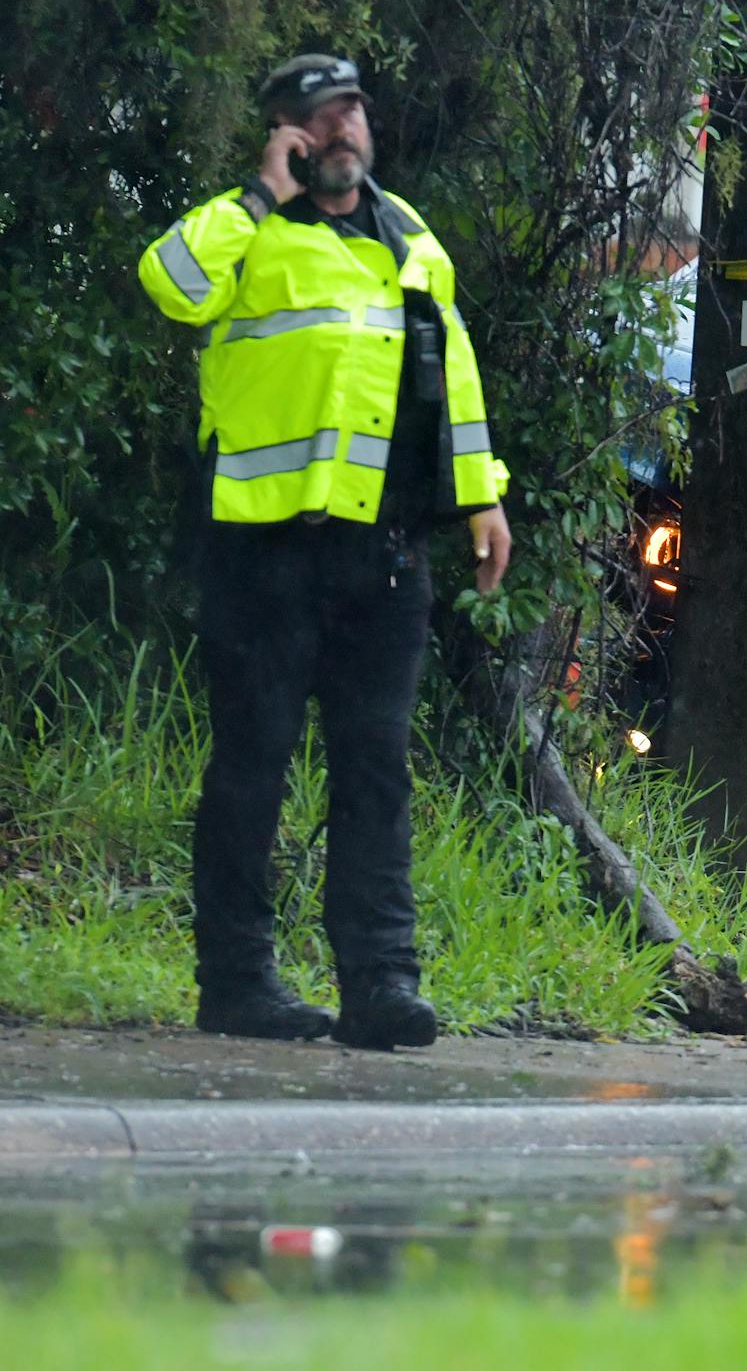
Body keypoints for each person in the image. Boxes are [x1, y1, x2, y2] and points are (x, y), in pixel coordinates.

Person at [138, 55, 514, 1049]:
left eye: (349, 113)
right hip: (261, 554)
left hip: (382, 556)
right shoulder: (247, 233)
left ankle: (381, 984)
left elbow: (456, 370)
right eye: (315, 120)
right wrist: (260, 194)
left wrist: (481, 496)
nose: (338, 131)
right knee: (251, 767)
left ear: (369, 130)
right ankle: (237, 983)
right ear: (286, 135)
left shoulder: (411, 239)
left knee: (375, 769)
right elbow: (167, 282)